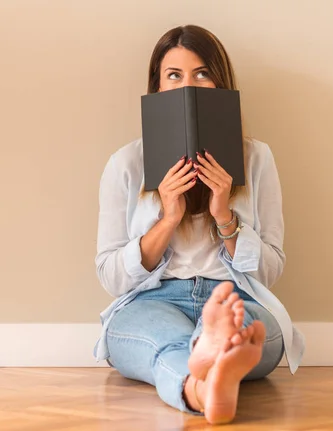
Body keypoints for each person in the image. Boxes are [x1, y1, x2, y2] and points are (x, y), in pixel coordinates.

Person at [93, 24, 305, 425]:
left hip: (235, 297)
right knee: (164, 340)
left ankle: (201, 376)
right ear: (157, 88)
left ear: (221, 84)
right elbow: (111, 277)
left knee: (246, 334)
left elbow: (270, 270)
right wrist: (168, 217)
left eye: (202, 73)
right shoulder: (126, 163)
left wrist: (225, 214)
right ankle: (205, 382)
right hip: (152, 301)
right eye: (173, 75)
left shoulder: (257, 158)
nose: (187, 85)